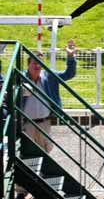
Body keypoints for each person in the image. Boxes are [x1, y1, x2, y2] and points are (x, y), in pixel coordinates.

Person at [15, 40, 77, 199]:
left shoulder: (49, 76)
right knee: (25, 156)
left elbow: (68, 74)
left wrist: (71, 57)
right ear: (28, 64)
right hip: (26, 124)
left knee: (45, 154)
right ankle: (22, 191)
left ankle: (41, 187)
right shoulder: (20, 78)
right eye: (34, 62)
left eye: (40, 63)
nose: (37, 65)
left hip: (44, 123)